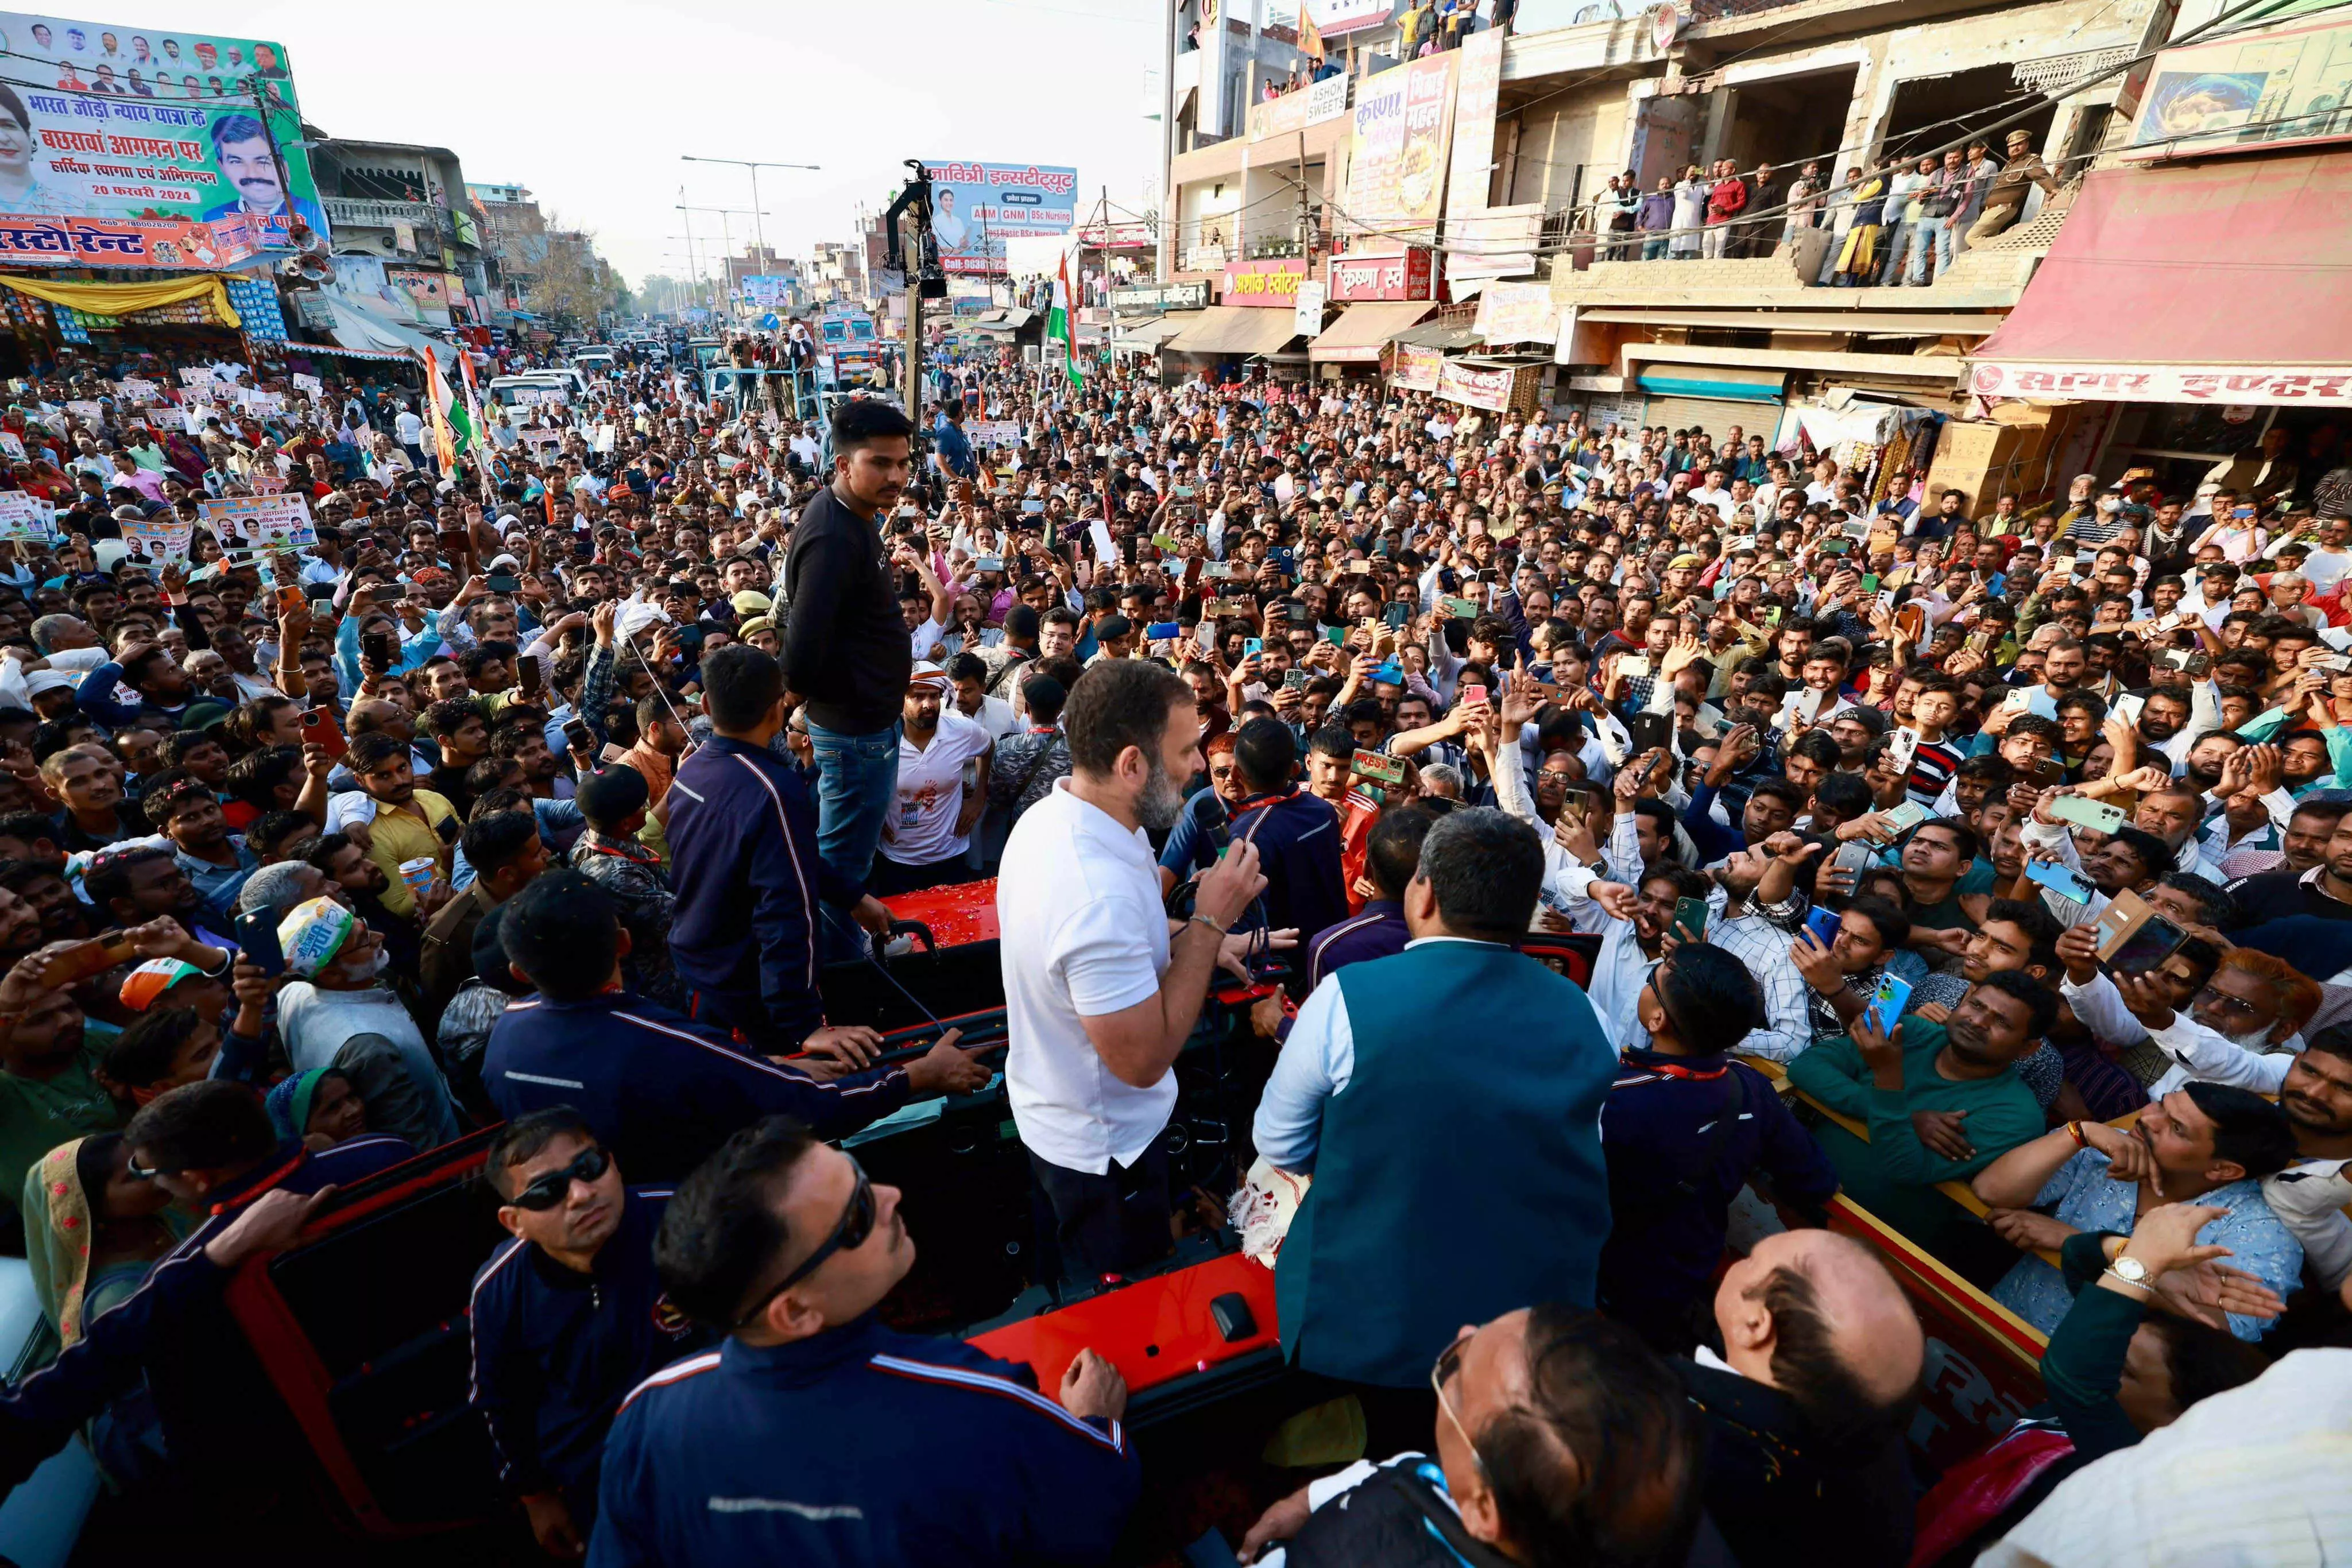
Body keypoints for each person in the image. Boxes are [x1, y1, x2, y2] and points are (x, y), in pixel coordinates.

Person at [589, 1117, 1142, 1567]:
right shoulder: (976, 1405)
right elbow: (1094, 1505)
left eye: (858, 1173)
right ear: (795, 1310)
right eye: (855, 1215)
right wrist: (1095, 1422)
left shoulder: (646, 1415)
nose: (890, 1195)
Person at [1254, 808, 1617, 1388]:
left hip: (1367, 1321)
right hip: (1528, 1326)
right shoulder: (1590, 1017)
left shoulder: (1343, 999)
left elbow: (1279, 1142)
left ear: (1421, 896)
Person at [998, 659, 1293, 1277]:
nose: (1198, 768)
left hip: (1068, 1120)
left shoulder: (1063, 817)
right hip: (1105, 1158)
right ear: (1132, 764)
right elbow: (1140, 1062)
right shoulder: (1093, 889)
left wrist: (1200, 941)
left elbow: (1130, 932)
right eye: (1186, 750)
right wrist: (1211, 924)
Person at [0, 1081, 411, 1517]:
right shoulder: (386, 1152)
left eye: (147, 1169)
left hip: (343, 1459)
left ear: (196, 1179)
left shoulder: (188, 1274)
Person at [485, 872, 987, 1184]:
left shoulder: (502, 1044)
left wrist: (764, 1068)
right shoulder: (665, 1043)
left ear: (519, 973)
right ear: (622, 943)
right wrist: (918, 1075)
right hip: (703, 1223)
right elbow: (808, 1108)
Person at [1237, 1308, 1707, 1567]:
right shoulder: (1514, 1487)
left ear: (1484, 1511)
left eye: (1455, 1377)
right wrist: (1313, 1499)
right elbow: (1412, 1467)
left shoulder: (1351, 1554)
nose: (1464, 1330)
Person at [468, 1109, 708, 1558]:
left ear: (613, 1163)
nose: (581, 1194)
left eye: (589, 1167)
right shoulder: (500, 1289)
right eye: (548, 1191)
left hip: (717, 1443)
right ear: (513, 1221)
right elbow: (501, 1404)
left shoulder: (688, 1219)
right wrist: (536, 1497)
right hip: (600, 1481)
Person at [1599, 942, 1839, 1349]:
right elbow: (1816, 1180)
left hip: (1611, 1276)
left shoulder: (1617, 1099)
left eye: (1650, 982)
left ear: (1657, 1018)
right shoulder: (1750, 1088)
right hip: (1691, 1278)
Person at [666, 644, 894, 1051]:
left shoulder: (692, 768)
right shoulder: (773, 790)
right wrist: (804, 1022)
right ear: (778, 710)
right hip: (747, 987)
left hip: (697, 963)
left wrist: (852, 894)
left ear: (704, 703)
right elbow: (786, 910)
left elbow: (785, 857)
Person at [1970, 1082, 2301, 1341]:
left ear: (2224, 1171)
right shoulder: (2105, 1147)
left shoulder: (2260, 1232)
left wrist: (2079, 1243)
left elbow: (2223, 1330)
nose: (2147, 1119)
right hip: (1990, 1324)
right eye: (2162, 1103)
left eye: (2176, 1128)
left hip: (2083, 1391)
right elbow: (1991, 1191)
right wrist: (2080, 1132)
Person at [1682, 1228, 1925, 1568]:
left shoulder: (1664, 1422)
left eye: (1753, 1260)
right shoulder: (1882, 1462)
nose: (1742, 1261)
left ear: (1754, 1326)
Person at [1786, 973, 2053, 1252]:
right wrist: (1909, 1118)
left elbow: (1904, 1167)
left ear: (2027, 1048)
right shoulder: (1912, 1031)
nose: (1978, 1022)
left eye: (2001, 1022)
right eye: (1976, 1006)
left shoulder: (2017, 1115)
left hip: (1870, 1240)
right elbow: (1806, 1067)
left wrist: (1888, 1076)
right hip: (1797, 1183)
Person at [782, 400, 918, 896]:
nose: (896, 475)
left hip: (865, 725)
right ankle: (837, 963)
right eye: (880, 463)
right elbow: (800, 652)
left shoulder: (854, 514)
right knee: (842, 869)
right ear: (843, 465)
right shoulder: (833, 537)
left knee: (850, 858)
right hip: (855, 732)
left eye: (902, 463)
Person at [872, 663, 992, 895]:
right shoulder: (882, 738)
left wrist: (979, 797)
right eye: (918, 696)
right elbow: (859, 777)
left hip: (950, 856)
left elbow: (987, 748)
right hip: (896, 860)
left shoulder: (962, 731)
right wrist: (873, 817)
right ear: (901, 700)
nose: (928, 704)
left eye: (934, 696)